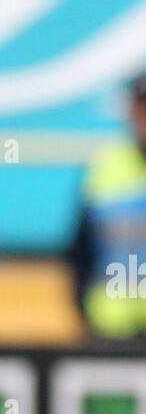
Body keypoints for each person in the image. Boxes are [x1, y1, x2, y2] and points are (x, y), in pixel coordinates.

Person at [68, 71, 146, 337]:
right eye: (142, 105)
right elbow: (79, 252)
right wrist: (84, 313)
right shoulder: (105, 167)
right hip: (109, 329)